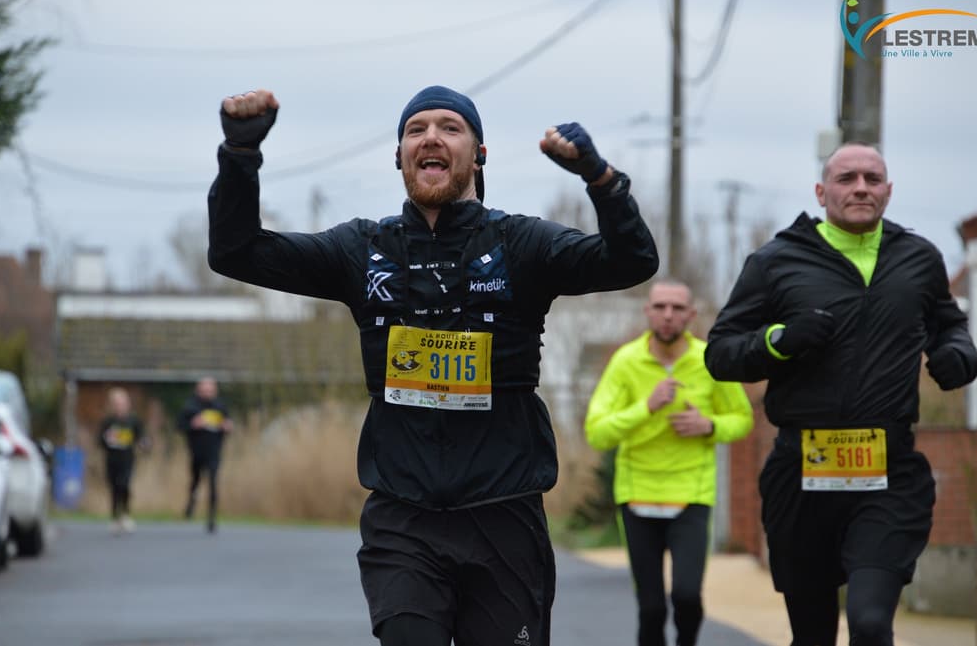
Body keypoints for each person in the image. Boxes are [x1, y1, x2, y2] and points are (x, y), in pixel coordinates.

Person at [207, 84, 659, 646]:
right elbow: (235, 252)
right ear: (399, 156)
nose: (431, 137)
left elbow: (632, 260)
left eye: (450, 127)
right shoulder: (362, 249)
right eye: (416, 129)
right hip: (404, 520)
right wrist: (240, 157)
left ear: (479, 154)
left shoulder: (520, 244)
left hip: (504, 518)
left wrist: (601, 179)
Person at [703, 142, 977, 646]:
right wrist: (779, 340)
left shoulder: (918, 258)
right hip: (802, 471)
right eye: (847, 178)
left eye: (872, 180)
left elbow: (950, 326)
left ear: (888, 191)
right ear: (821, 190)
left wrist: (957, 354)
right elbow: (720, 353)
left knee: (871, 623)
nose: (860, 188)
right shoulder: (776, 262)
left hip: (889, 471)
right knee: (812, 635)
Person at [584, 279, 753, 646]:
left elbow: (742, 420)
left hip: (691, 493)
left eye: (677, 308)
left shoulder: (708, 360)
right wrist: (647, 406)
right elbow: (598, 432)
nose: (668, 315)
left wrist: (708, 425)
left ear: (691, 315)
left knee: (687, 596)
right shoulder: (626, 362)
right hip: (637, 493)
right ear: (647, 311)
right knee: (651, 609)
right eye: (660, 307)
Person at [178, 377, 233, 533]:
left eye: (210, 390)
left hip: (214, 451)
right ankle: (191, 502)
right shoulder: (191, 407)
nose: (208, 393)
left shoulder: (220, 407)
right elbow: (180, 426)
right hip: (197, 452)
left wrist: (227, 426)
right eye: (205, 390)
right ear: (198, 390)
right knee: (195, 481)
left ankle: (211, 518)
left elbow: (228, 424)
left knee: (213, 483)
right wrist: (193, 424)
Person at [98, 387, 145, 534]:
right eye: (117, 403)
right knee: (114, 488)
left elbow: (141, 438)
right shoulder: (108, 422)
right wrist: (108, 439)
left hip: (128, 459)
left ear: (128, 404)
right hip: (112, 460)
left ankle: (125, 514)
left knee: (124, 485)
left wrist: (145, 444)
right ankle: (114, 517)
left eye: (123, 403)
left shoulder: (133, 421)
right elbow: (100, 441)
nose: (120, 406)